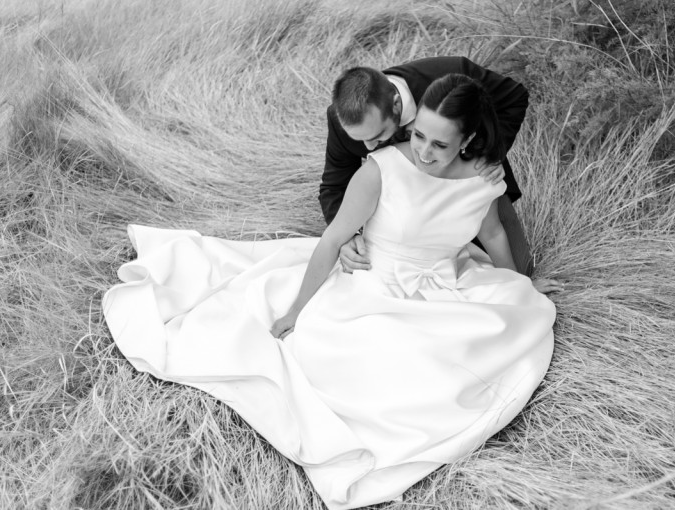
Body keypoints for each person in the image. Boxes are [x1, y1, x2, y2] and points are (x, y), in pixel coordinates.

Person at [103, 74, 559, 510]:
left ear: (468, 140)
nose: (422, 151)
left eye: (439, 144)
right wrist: (295, 312)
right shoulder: (382, 170)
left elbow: (494, 232)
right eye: (418, 135)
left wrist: (515, 284)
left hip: (443, 284)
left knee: (484, 344)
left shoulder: (482, 179)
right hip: (371, 283)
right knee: (380, 368)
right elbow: (333, 240)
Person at [321, 56, 535, 276]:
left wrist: (489, 154)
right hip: (402, 215)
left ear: (396, 105)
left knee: (522, 273)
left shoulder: (454, 76)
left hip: (466, 189)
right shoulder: (345, 119)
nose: (367, 146)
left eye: (377, 136)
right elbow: (333, 186)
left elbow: (514, 98)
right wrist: (349, 237)